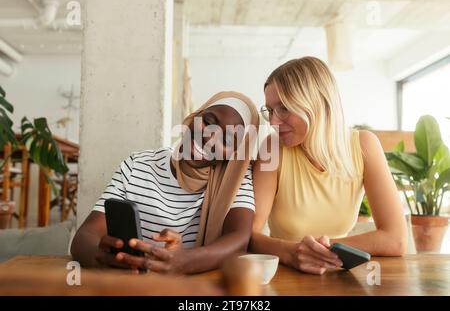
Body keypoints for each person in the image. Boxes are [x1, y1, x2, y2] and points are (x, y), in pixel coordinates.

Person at [71, 91, 259, 274]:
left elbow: (239, 239)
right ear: (193, 117)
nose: (210, 137)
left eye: (226, 139)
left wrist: (186, 261)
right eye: (208, 122)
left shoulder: (234, 182)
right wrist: (104, 258)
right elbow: (84, 237)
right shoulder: (138, 165)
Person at [250, 57, 407, 275]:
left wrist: (316, 251)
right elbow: (249, 234)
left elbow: (395, 239)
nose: (274, 123)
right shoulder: (272, 149)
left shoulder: (364, 145)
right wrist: (292, 253)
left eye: (284, 108)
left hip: (338, 274)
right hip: (286, 275)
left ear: (319, 103)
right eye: (270, 110)